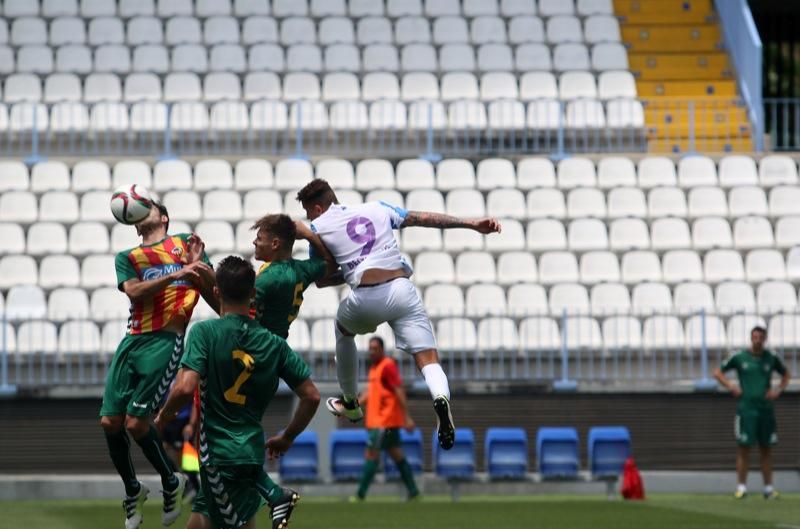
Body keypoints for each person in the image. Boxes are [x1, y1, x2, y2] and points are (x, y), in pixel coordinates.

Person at [295, 178, 502, 450]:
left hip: (365, 296)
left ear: (318, 208)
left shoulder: (318, 228)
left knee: (343, 330)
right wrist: (471, 224)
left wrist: (346, 268)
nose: (309, 218)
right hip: (401, 289)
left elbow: (321, 279)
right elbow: (422, 218)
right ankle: (440, 397)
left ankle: (349, 401)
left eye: (309, 212)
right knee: (427, 358)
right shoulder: (377, 208)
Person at [155, 256, 321, 529]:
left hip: (220, 457)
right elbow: (312, 396)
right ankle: (274, 494)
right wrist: (288, 436)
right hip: (249, 450)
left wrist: (162, 419)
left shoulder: (204, 332)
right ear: (253, 293)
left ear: (217, 292)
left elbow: (185, 387)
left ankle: (277, 497)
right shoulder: (274, 343)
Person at [99, 202, 217, 529]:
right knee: (110, 422)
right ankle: (133, 490)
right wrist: (180, 273)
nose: (145, 208)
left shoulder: (185, 243)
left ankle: (171, 480)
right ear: (134, 224)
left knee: (137, 425)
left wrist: (197, 267)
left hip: (165, 341)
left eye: (151, 205)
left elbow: (216, 298)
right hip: (132, 340)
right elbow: (134, 293)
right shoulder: (127, 257)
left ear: (163, 217)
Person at [713, 326, 791, 499]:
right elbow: (717, 372)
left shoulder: (771, 357)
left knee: (766, 449)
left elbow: (786, 375)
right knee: (743, 448)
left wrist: (778, 390)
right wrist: (731, 386)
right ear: (751, 338)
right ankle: (741, 487)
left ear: (764, 339)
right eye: (754, 337)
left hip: (766, 410)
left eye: (760, 337)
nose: (757, 340)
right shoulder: (740, 357)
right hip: (746, 410)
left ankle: (769, 489)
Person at [251, 213, 339, 339]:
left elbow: (235, 308)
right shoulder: (302, 269)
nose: (254, 242)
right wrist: (308, 235)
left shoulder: (271, 277)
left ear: (275, 244)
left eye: (259, 238)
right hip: (278, 344)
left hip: (261, 347)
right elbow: (331, 262)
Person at [353, 336, 419, 501]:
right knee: (397, 455)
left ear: (382, 349)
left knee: (371, 454)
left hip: (383, 421)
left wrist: (407, 417)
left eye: (375, 348)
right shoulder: (374, 368)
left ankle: (360, 495)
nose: (372, 351)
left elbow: (398, 390)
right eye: (370, 348)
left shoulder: (387, 365)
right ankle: (414, 492)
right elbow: (371, 392)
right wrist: (354, 404)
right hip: (381, 421)